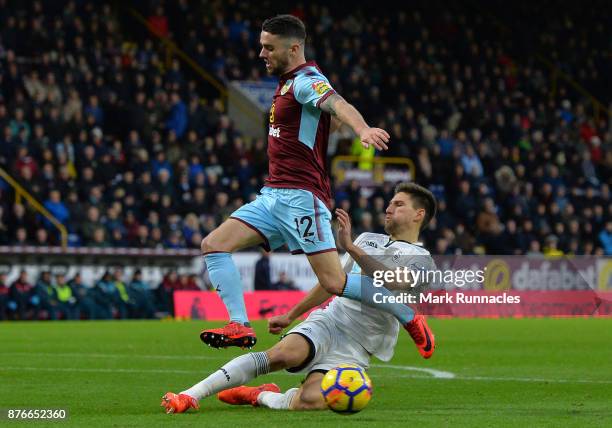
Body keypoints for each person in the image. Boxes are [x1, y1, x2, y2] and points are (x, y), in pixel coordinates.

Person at [198, 15, 425, 352]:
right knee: (213, 245)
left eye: (268, 48)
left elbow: (338, 104)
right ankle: (240, 326)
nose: (261, 54)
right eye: (262, 46)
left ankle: (406, 314)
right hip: (273, 194)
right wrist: (329, 125)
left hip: (302, 196)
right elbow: (327, 119)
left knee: (333, 282)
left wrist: (361, 129)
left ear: (293, 48)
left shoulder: (306, 80)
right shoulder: (287, 83)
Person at [162, 183, 437, 413]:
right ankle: (190, 395)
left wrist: (352, 248)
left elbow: (395, 281)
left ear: (419, 214)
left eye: (399, 204)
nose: (389, 207)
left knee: (309, 402)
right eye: (390, 202)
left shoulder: (423, 261)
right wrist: (291, 314)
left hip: (359, 347)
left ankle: (259, 395)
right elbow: (331, 284)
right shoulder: (368, 239)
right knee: (283, 354)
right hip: (331, 321)